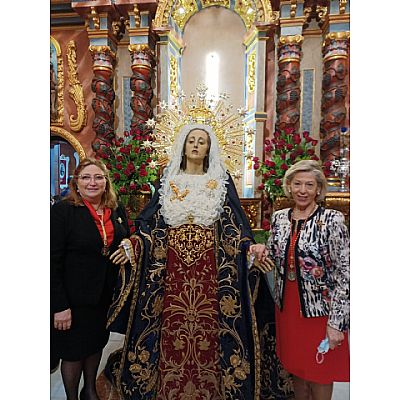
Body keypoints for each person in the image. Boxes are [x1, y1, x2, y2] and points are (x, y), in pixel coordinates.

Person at [104, 124, 283, 400]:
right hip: (171, 276)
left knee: (211, 335)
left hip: (211, 276)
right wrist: (134, 244)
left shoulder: (221, 182)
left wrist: (249, 249)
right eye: (191, 141)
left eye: (202, 141)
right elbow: (151, 226)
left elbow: (235, 228)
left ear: (210, 148)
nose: (197, 145)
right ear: (183, 147)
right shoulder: (168, 181)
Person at [267, 159, 350, 400]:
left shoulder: (332, 220)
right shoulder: (280, 218)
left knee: (320, 372)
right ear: (289, 186)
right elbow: (273, 255)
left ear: (318, 189)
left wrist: (337, 323)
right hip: (289, 309)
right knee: (298, 370)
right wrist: (259, 250)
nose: (303, 190)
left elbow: (346, 274)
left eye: (309, 185)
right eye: (297, 184)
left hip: (321, 311)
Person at [51, 158, 131, 400]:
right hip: (72, 299)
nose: (92, 183)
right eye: (86, 177)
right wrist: (59, 306)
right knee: (74, 351)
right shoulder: (63, 211)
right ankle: (72, 396)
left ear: (106, 182)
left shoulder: (115, 210)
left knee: (96, 344)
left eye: (98, 177)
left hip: (103, 296)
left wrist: (129, 244)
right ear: (77, 182)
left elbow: (126, 238)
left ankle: (90, 391)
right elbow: (50, 260)